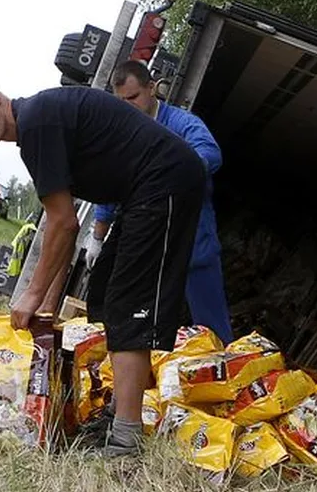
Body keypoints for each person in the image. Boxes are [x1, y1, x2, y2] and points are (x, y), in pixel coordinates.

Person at [0, 76, 205, 457]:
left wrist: (30, 294)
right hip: (144, 189)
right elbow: (61, 227)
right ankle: (119, 414)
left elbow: (64, 223)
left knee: (129, 306)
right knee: (106, 292)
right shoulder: (36, 127)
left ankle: (125, 442)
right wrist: (46, 305)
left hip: (165, 182)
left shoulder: (37, 124)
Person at [91, 59, 233, 343]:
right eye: (121, 101)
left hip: (194, 243)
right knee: (139, 326)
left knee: (212, 330)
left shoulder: (182, 124)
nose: (128, 106)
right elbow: (110, 185)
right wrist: (97, 237)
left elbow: (210, 153)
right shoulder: (122, 136)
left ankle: (225, 375)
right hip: (147, 247)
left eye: (133, 97)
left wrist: (171, 173)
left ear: (152, 88)